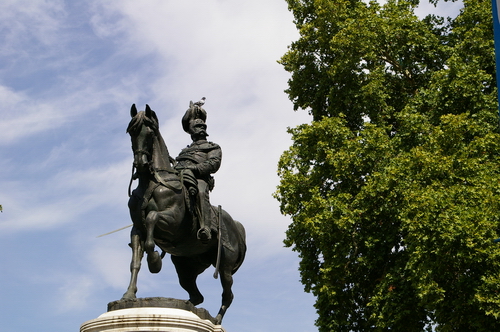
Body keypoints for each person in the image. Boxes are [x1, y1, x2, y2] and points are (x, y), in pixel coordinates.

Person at [175, 99, 221, 243]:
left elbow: (213, 163)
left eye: (202, 126)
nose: (200, 128)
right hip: (182, 178)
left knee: (201, 191)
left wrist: (194, 168)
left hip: (199, 179)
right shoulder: (185, 151)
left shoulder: (212, 147)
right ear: (190, 131)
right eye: (196, 126)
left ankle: (205, 228)